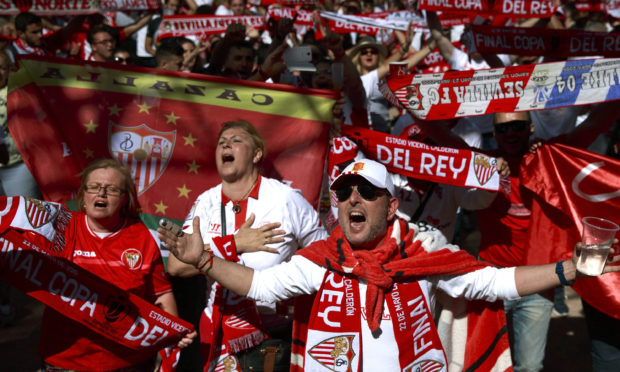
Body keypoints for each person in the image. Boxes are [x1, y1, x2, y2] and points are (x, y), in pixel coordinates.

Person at [159, 158, 620, 371]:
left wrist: (569, 270)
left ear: (391, 205)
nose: (352, 199)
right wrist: (203, 259)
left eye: (366, 192)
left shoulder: (426, 253)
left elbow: (494, 283)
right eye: (343, 193)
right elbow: (259, 286)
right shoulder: (321, 260)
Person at [167, 120, 327, 371]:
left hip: (272, 336)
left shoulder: (286, 199)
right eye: (221, 142)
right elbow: (176, 265)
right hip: (218, 336)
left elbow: (323, 256)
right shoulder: (205, 202)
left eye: (236, 140)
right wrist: (233, 244)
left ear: (257, 153)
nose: (226, 145)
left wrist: (295, 288)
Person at [38, 158, 195, 371]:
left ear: (124, 199)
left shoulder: (141, 237)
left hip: (128, 361)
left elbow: (161, 295)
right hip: (66, 359)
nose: (101, 193)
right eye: (94, 187)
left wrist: (172, 333)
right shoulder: (59, 228)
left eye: (111, 189)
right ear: (83, 195)